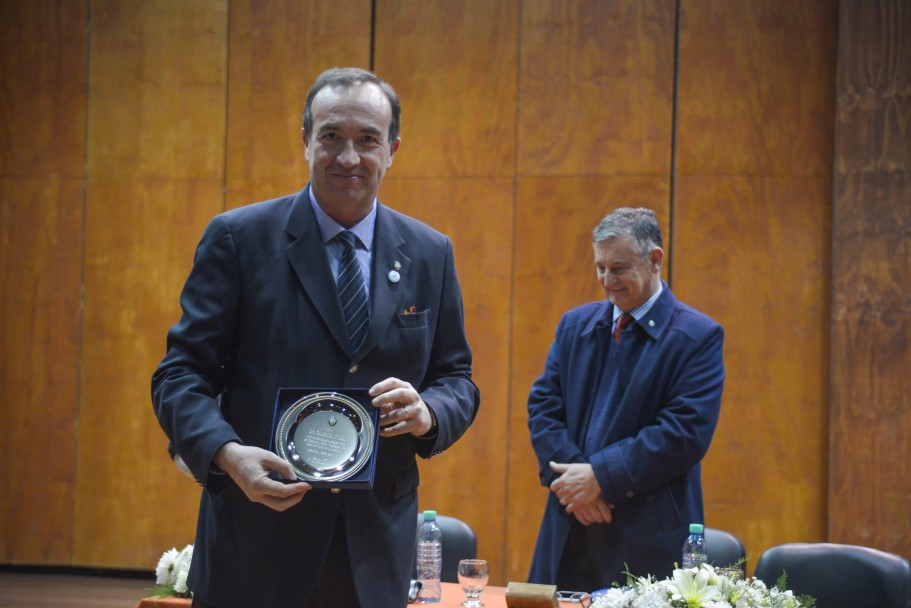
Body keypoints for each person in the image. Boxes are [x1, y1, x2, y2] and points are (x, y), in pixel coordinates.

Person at [152, 67, 480, 608]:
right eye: (331, 136)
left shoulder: (429, 252)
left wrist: (431, 412)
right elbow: (179, 374)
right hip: (257, 545)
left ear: (392, 148)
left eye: (367, 139)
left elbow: (457, 378)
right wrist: (228, 455)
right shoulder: (238, 239)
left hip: (373, 557)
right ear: (305, 140)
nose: (348, 157)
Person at [525, 207, 724, 591]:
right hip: (570, 525)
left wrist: (600, 478)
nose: (606, 281)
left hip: (645, 538)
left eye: (618, 269)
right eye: (600, 267)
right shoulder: (575, 324)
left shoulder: (697, 336)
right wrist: (576, 484)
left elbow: (683, 433)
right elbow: (544, 408)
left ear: (655, 260)